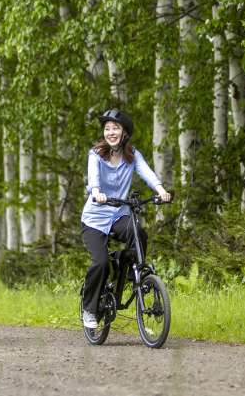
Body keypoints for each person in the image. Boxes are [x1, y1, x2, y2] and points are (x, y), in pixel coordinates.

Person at [80, 109, 170, 329]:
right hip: (94, 218)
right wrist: (96, 191)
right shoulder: (96, 155)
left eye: (115, 128)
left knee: (137, 232)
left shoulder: (132, 155)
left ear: (125, 133)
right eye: (107, 128)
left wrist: (160, 190)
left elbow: (147, 173)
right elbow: (93, 178)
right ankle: (89, 309)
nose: (111, 132)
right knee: (101, 263)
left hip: (118, 214)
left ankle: (133, 273)